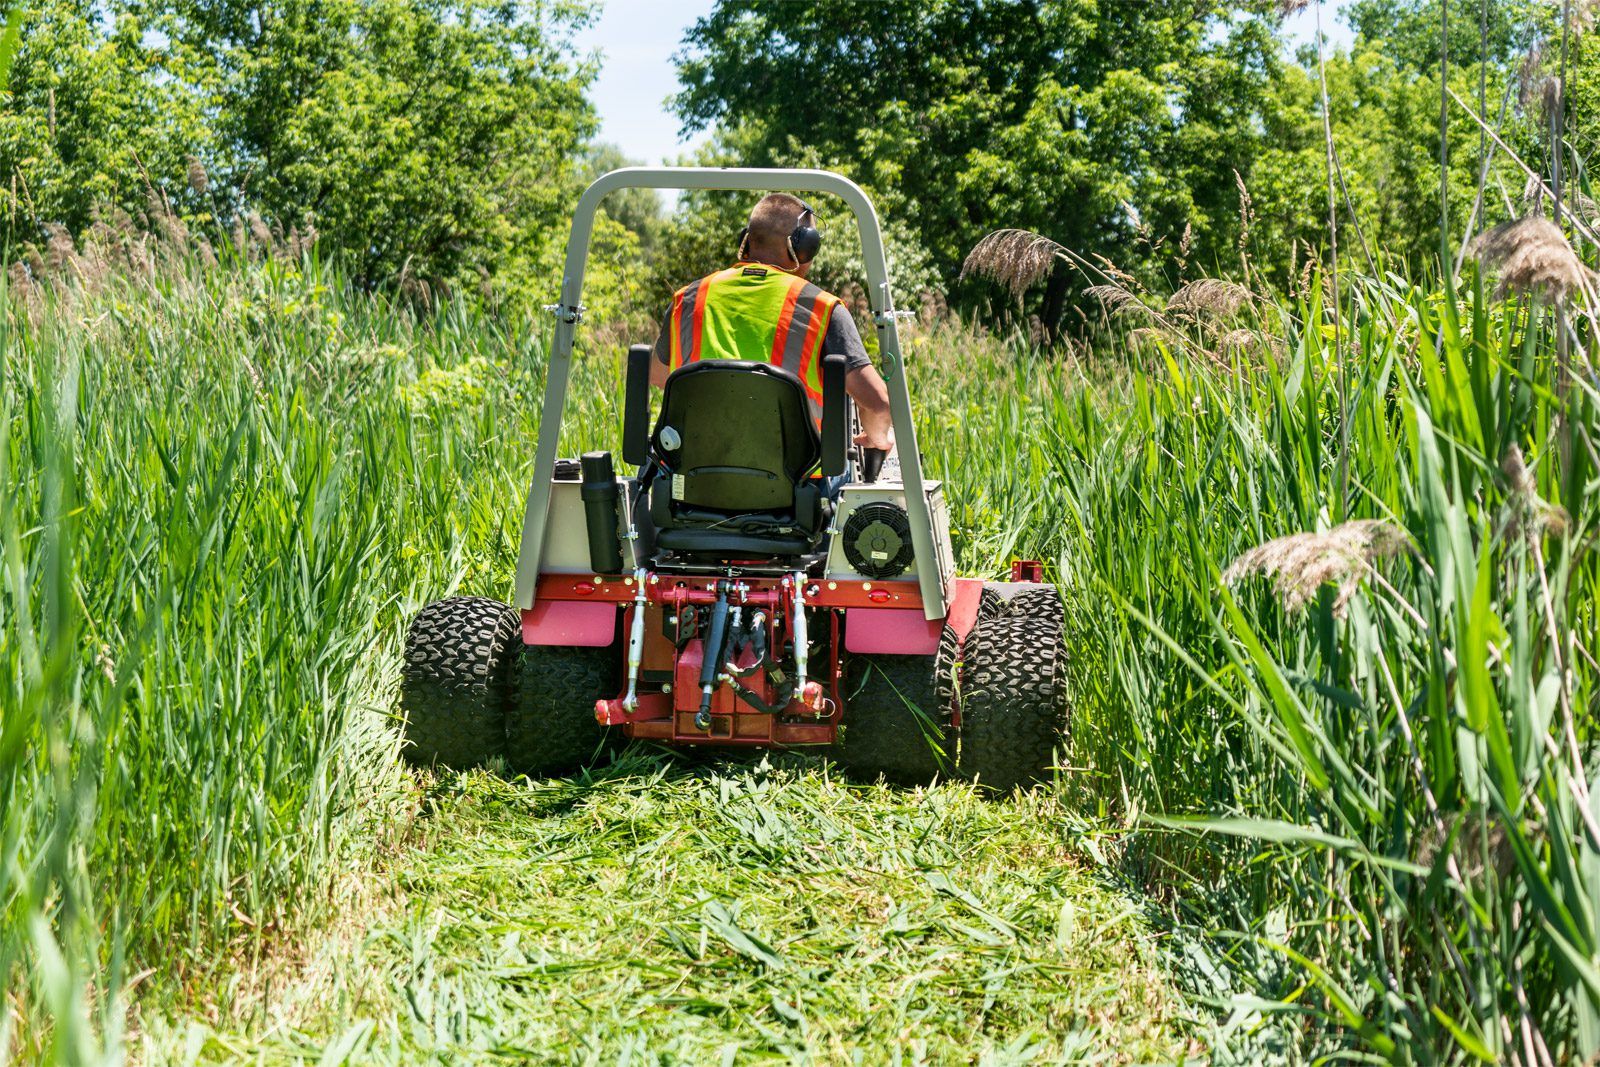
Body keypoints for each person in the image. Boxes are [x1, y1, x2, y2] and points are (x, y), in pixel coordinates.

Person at [650, 193, 895, 454]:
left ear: (747, 239)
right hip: (799, 485)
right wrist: (878, 439)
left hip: (694, 480)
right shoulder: (822, 309)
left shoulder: (687, 299)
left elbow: (657, 375)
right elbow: (878, 404)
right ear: (804, 248)